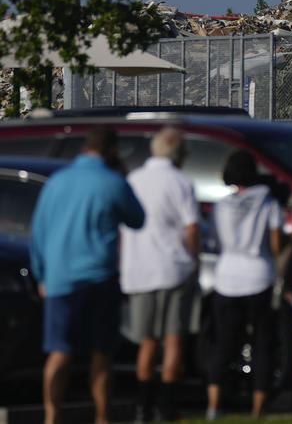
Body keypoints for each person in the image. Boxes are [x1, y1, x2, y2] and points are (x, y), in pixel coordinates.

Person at [30, 126, 145, 424]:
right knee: (102, 353)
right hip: (99, 277)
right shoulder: (111, 182)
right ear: (112, 151)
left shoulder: (56, 182)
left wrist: (41, 274)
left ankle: (52, 416)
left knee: (59, 352)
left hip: (59, 278)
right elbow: (137, 218)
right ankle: (102, 416)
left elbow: (39, 233)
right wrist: (120, 175)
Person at [119, 127, 201, 422]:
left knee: (147, 342)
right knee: (173, 339)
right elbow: (191, 226)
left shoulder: (134, 179)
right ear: (179, 154)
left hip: (139, 268)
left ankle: (143, 406)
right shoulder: (180, 182)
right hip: (173, 268)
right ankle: (167, 405)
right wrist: (195, 260)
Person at [205, 149, 282, 420]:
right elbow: (274, 244)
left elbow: (214, 243)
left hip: (227, 277)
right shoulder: (268, 203)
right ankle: (258, 407)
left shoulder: (221, 206)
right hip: (258, 274)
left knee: (223, 343)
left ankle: (213, 404)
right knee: (263, 343)